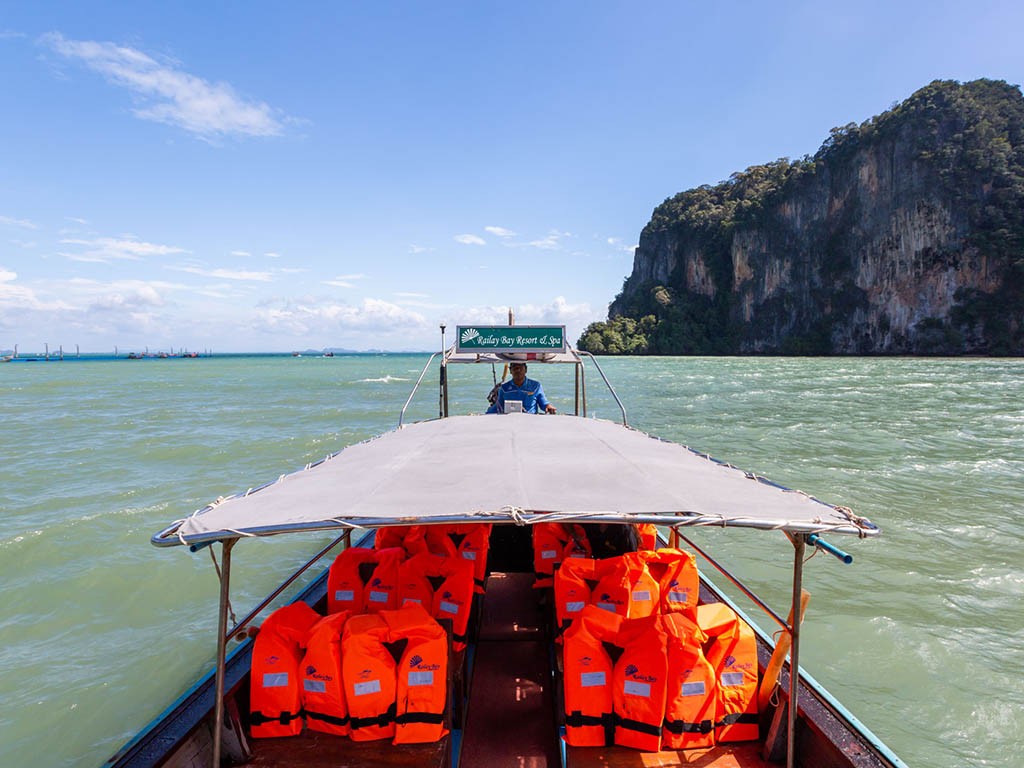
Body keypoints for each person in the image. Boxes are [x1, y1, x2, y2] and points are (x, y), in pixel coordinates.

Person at [486, 362, 557, 414]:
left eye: (520, 368)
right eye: (515, 368)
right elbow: (498, 407)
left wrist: (548, 407)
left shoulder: (535, 386)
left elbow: (544, 403)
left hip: (530, 422)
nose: (518, 370)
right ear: (510, 371)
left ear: (526, 370)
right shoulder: (504, 388)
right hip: (509, 422)